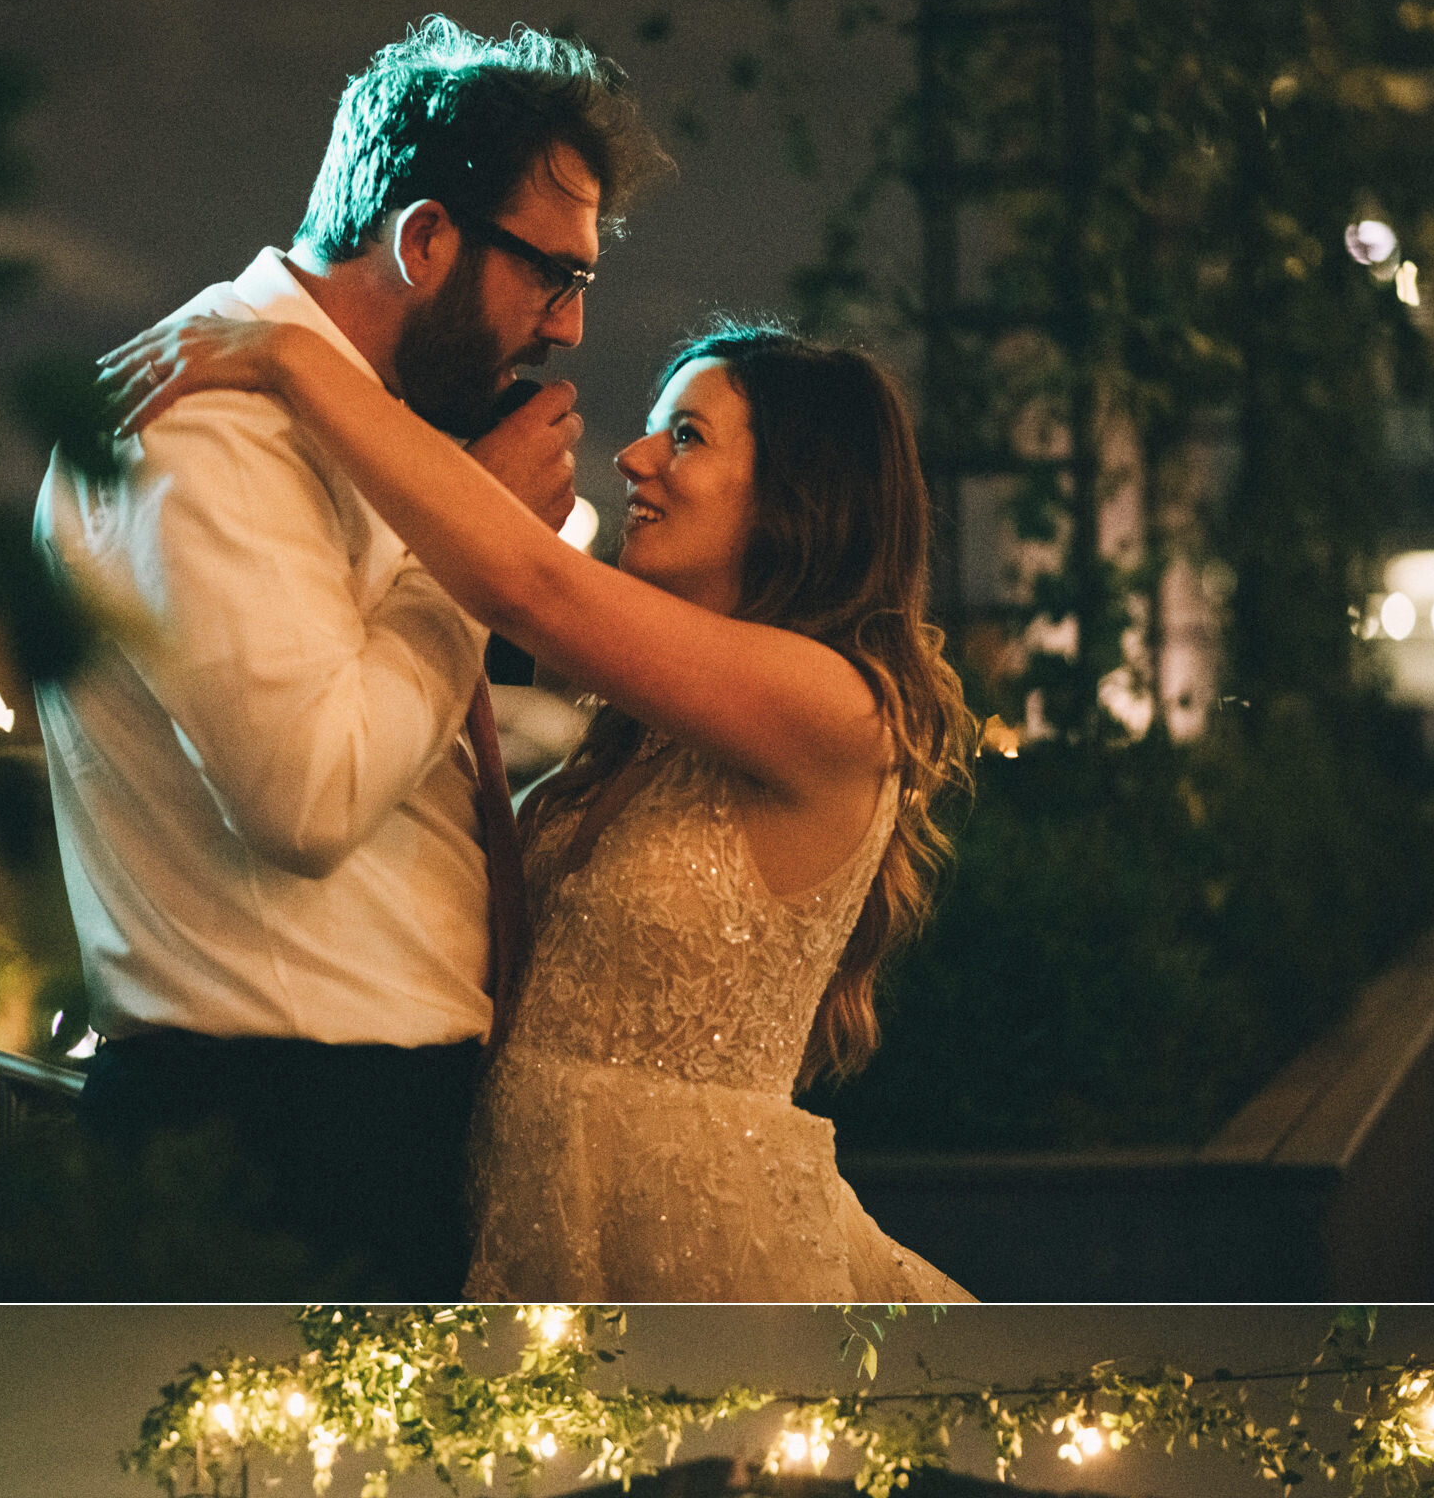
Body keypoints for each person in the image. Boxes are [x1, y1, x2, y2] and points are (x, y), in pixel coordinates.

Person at [103, 307, 977, 1302]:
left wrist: (289, 350)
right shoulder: (638, 737)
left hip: (699, 1251)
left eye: (684, 436)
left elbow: (530, 588)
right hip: (530, 1229)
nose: (635, 457)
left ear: (799, 494)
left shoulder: (839, 705)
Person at [35, 18, 668, 1296]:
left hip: (374, 1109)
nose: (573, 328)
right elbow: (309, 790)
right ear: (424, 238)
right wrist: (466, 559)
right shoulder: (205, 430)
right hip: (279, 1127)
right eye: (552, 275)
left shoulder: (380, 429)